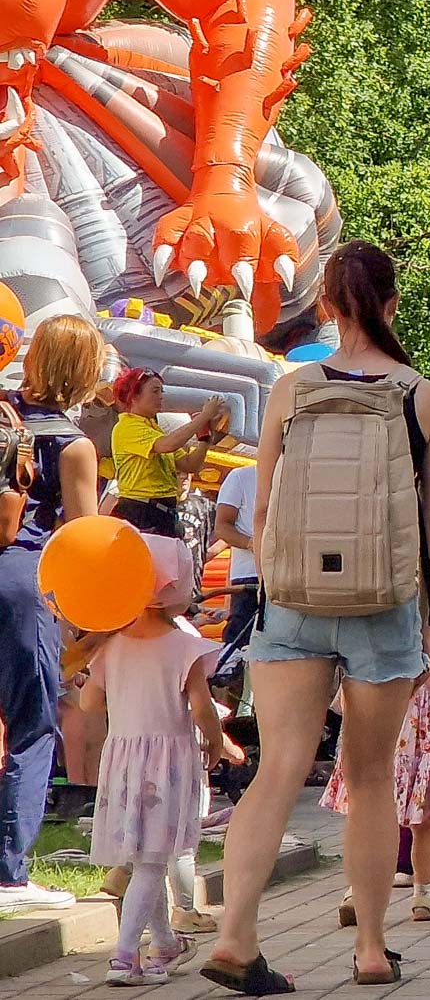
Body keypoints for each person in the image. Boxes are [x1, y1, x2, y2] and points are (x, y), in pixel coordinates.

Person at [206, 241, 430, 996]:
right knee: (373, 774)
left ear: (324, 306)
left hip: (292, 602)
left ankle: (234, 935)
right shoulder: (425, 395)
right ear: (391, 304)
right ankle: (373, 949)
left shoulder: (292, 387)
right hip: (384, 604)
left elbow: (266, 506)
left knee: (278, 767)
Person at [82, 535, 241, 985]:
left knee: (140, 856)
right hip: (167, 760)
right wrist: (214, 742)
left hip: (123, 760)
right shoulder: (184, 646)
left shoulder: (110, 645)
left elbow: (92, 705)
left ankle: (165, 942)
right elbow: (201, 705)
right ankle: (125, 955)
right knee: (153, 860)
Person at [0, 314, 103, 915]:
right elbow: (83, 542)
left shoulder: (3, 413)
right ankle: (10, 873)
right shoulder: (74, 443)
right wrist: (88, 629)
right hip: (21, 580)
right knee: (32, 724)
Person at [320, 619, 430, 926]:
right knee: (425, 824)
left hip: (371, 735)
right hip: (419, 743)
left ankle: (355, 892)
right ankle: (423, 895)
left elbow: (345, 700)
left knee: (364, 818)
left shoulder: (362, 638)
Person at [108, 368, 223, 538]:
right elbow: (167, 445)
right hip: (141, 513)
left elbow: (190, 465)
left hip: (164, 514)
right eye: (155, 391)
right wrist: (203, 417)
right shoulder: (126, 427)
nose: (161, 396)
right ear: (134, 396)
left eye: (162, 391)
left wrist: (205, 438)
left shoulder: (154, 430)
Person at [212, 462, 260, 651]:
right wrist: (252, 544)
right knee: (239, 645)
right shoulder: (241, 477)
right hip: (249, 576)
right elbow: (222, 526)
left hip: (288, 577)